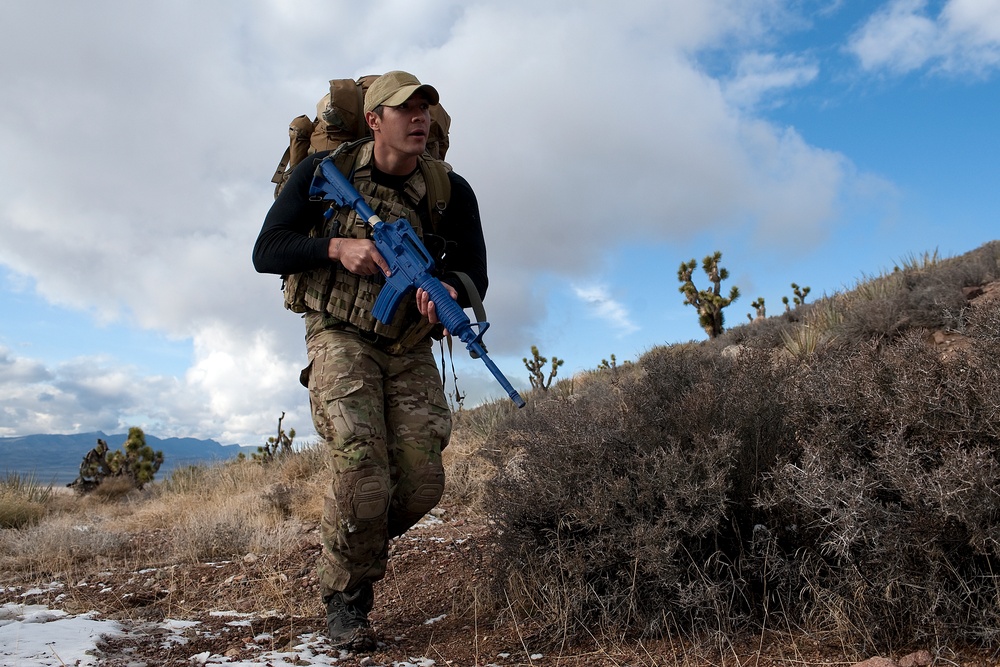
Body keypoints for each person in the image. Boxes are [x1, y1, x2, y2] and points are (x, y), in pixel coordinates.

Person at [252, 71, 488, 651]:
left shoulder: (449, 191)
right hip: (339, 331)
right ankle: (347, 598)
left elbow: (475, 272)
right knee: (362, 474)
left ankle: (346, 542)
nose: (419, 119)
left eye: (425, 109)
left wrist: (451, 294)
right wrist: (336, 246)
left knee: (421, 484)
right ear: (375, 121)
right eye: (405, 110)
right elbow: (267, 250)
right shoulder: (322, 174)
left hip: (406, 343)